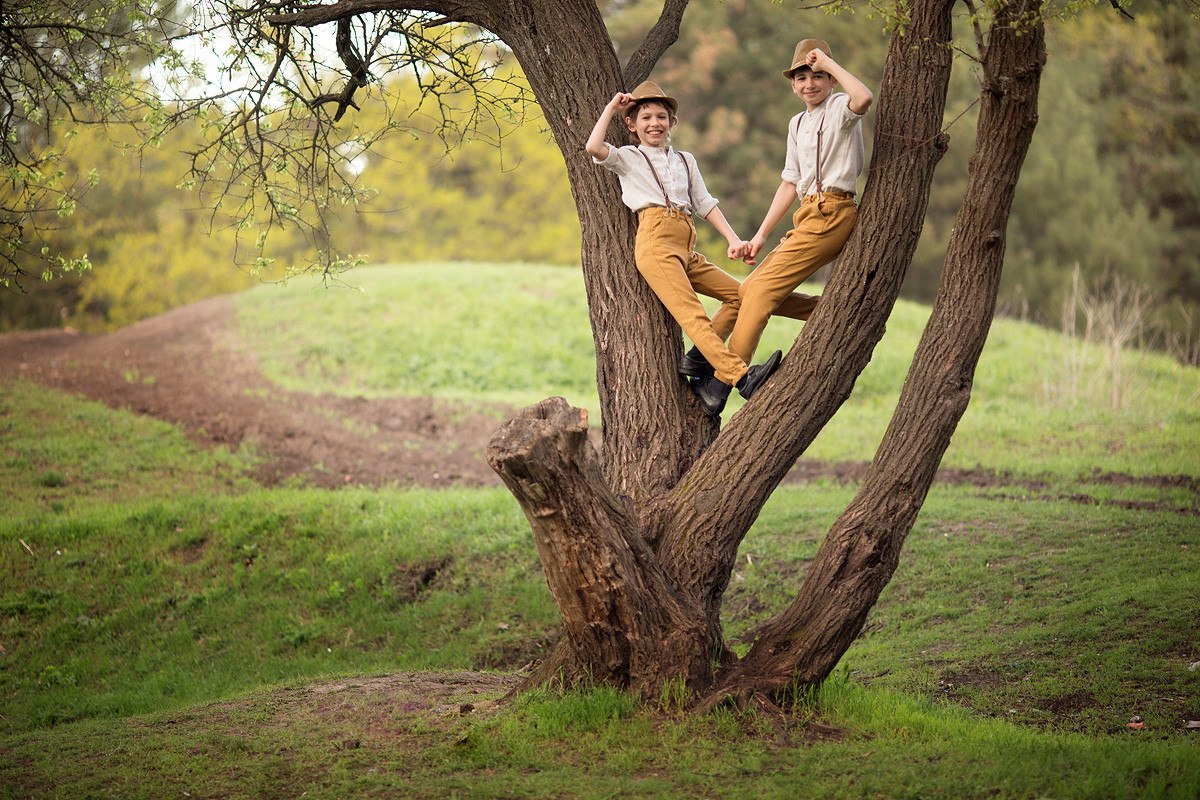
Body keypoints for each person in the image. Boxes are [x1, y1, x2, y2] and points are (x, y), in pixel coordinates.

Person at [585, 80, 785, 416]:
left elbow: (704, 202)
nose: (654, 123)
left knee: (742, 294)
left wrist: (733, 239)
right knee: (692, 314)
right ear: (632, 125)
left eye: (661, 116)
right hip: (655, 241)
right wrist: (611, 108)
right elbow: (593, 147)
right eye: (645, 117)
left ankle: (699, 358)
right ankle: (740, 377)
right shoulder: (629, 158)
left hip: (686, 241)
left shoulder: (685, 160)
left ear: (672, 123)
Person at [724, 38, 873, 369]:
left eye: (817, 76)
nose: (810, 83)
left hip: (832, 210)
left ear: (832, 80)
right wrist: (761, 235)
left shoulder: (840, 108)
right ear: (792, 85)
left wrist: (829, 64)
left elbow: (863, 98)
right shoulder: (797, 123)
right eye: (801, 77)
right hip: (807, 213)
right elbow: (790, 182)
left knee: (760, 293)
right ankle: (833, 310)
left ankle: (725, 378)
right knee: (748, 290)